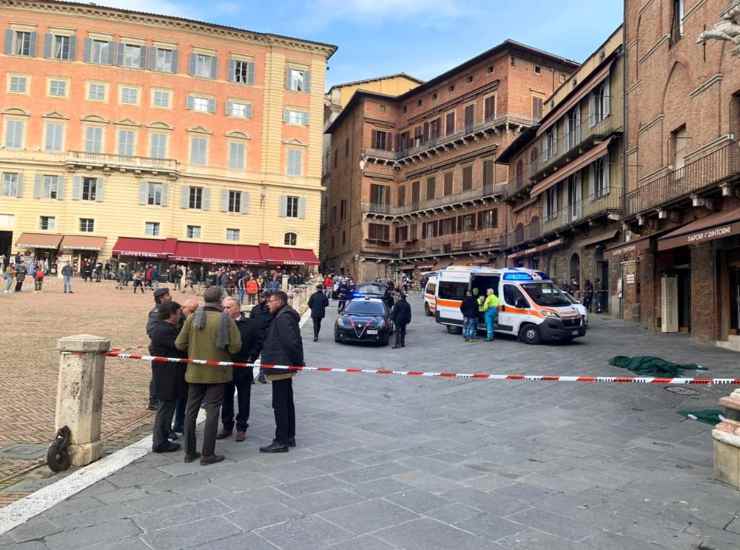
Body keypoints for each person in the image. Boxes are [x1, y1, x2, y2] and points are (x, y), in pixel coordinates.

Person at [175, 286, 241, 465]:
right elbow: (236, 347)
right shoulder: (226, 319)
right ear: (220, 300)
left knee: (191, 411)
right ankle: (207, 454)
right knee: (212, 412)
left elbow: (179, 344)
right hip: (217, 374)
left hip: (195, 372)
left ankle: (189, 452)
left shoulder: (192, 318)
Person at [259, 291, 303, 453]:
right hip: (282, 364)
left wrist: (296, 362)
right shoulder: (283, 315)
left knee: (280, 404)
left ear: (279, 301)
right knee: (286, 402)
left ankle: (281, 440)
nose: (267, 304)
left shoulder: (283, 317)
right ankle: (289, 436)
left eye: (270, 301)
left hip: (281, 365)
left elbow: (291, 342)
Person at [217, 297, 260, 442]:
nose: (225, 310)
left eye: (228, 307)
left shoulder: (250, 324)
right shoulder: (220, 324)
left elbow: (258, 342)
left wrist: (251, 357)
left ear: (237, 308)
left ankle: (242, 427)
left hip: (243, 366)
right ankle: (227, 426)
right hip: (226, 367)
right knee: (226, 398)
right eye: (224, 307)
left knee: (244, 398)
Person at [149, 301, 187, 453]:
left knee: (167, 407)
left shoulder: (163, 328)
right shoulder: (165, 330)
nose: (180, 316)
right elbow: (181, 347)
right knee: (165, 408)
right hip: (167, 376)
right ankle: (160, 441)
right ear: (172, 314)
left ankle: (163, 438)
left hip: (169, 375)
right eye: (178, 313)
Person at [147, 288, 172, 410]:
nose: (170, 297)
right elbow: (151, 330)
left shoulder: (167, 309)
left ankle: (161, 397)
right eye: (167, 295)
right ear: (161, 298)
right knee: (157, 374)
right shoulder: (156, 312)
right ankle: (153, 400)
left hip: (166, 347)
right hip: (159, 348)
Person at [250, 291, 272, 384]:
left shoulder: (270, 310)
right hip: (257, 336)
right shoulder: (256, 309)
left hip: (265, 336)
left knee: (264, 357)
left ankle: (261, 376)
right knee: (253, 357)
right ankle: (251, 376)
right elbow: (251, 321)